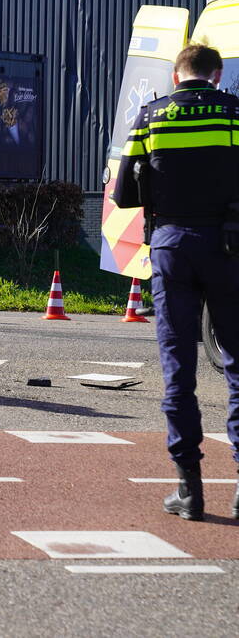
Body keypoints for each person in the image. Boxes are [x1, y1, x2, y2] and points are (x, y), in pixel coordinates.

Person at [112, 43, 239, 521]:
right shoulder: (236, 113)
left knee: (179, 369)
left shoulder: (150, 118)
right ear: (218, 74)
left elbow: (125, 193)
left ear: (174, 75)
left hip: (171, 248)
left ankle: (189, 487)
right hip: (230, 250)